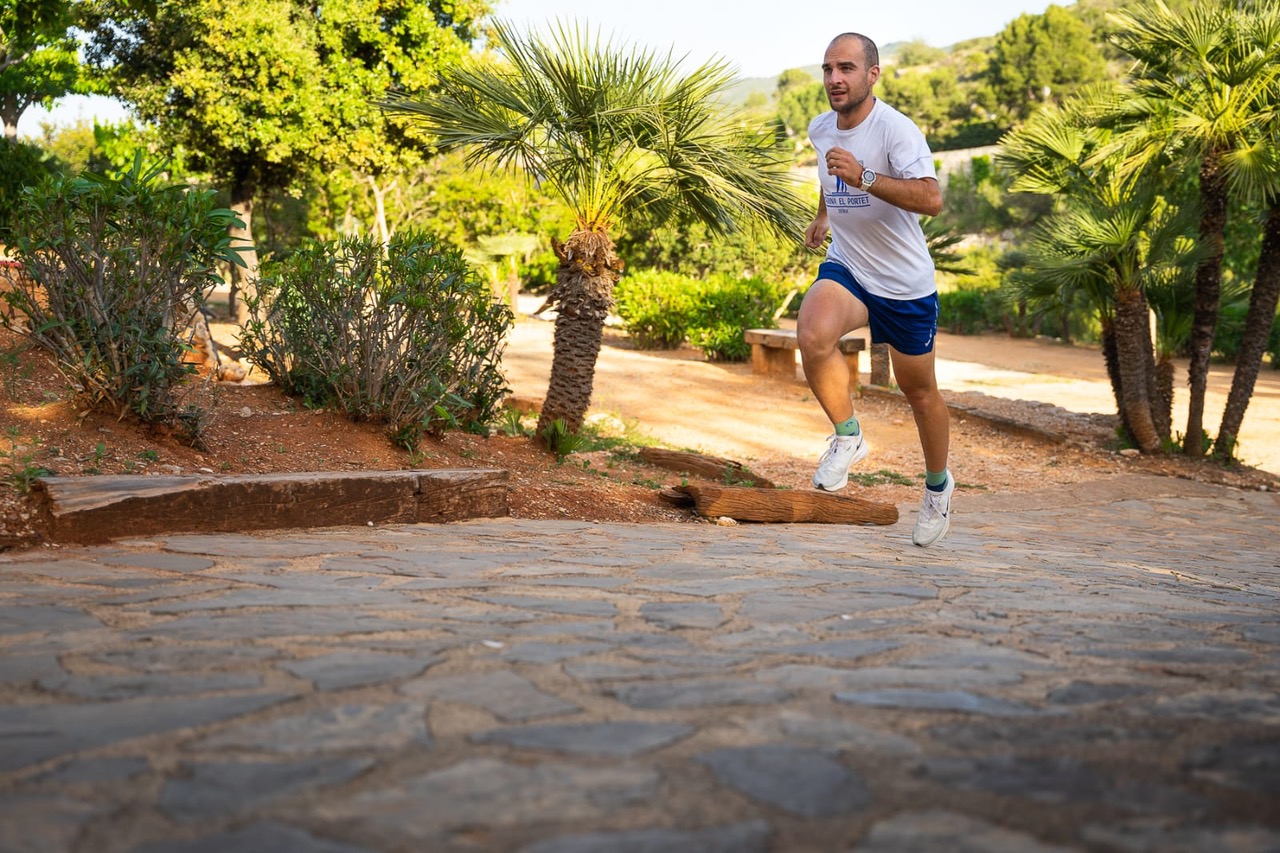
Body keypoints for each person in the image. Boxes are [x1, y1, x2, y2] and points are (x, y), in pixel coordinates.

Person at [797, 31, 953, 547]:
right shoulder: (822, 127)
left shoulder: (897, 132)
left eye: (845, 68)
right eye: (827, 69)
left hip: (903, 284)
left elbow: (931, 200)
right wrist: (824, 214)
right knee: (813, 333)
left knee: (920, 392)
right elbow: (828, 170)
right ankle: (848, 436)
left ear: (872, 74)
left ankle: (937, 488)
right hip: (850, 266)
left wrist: (864, 177)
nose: (834, 79)